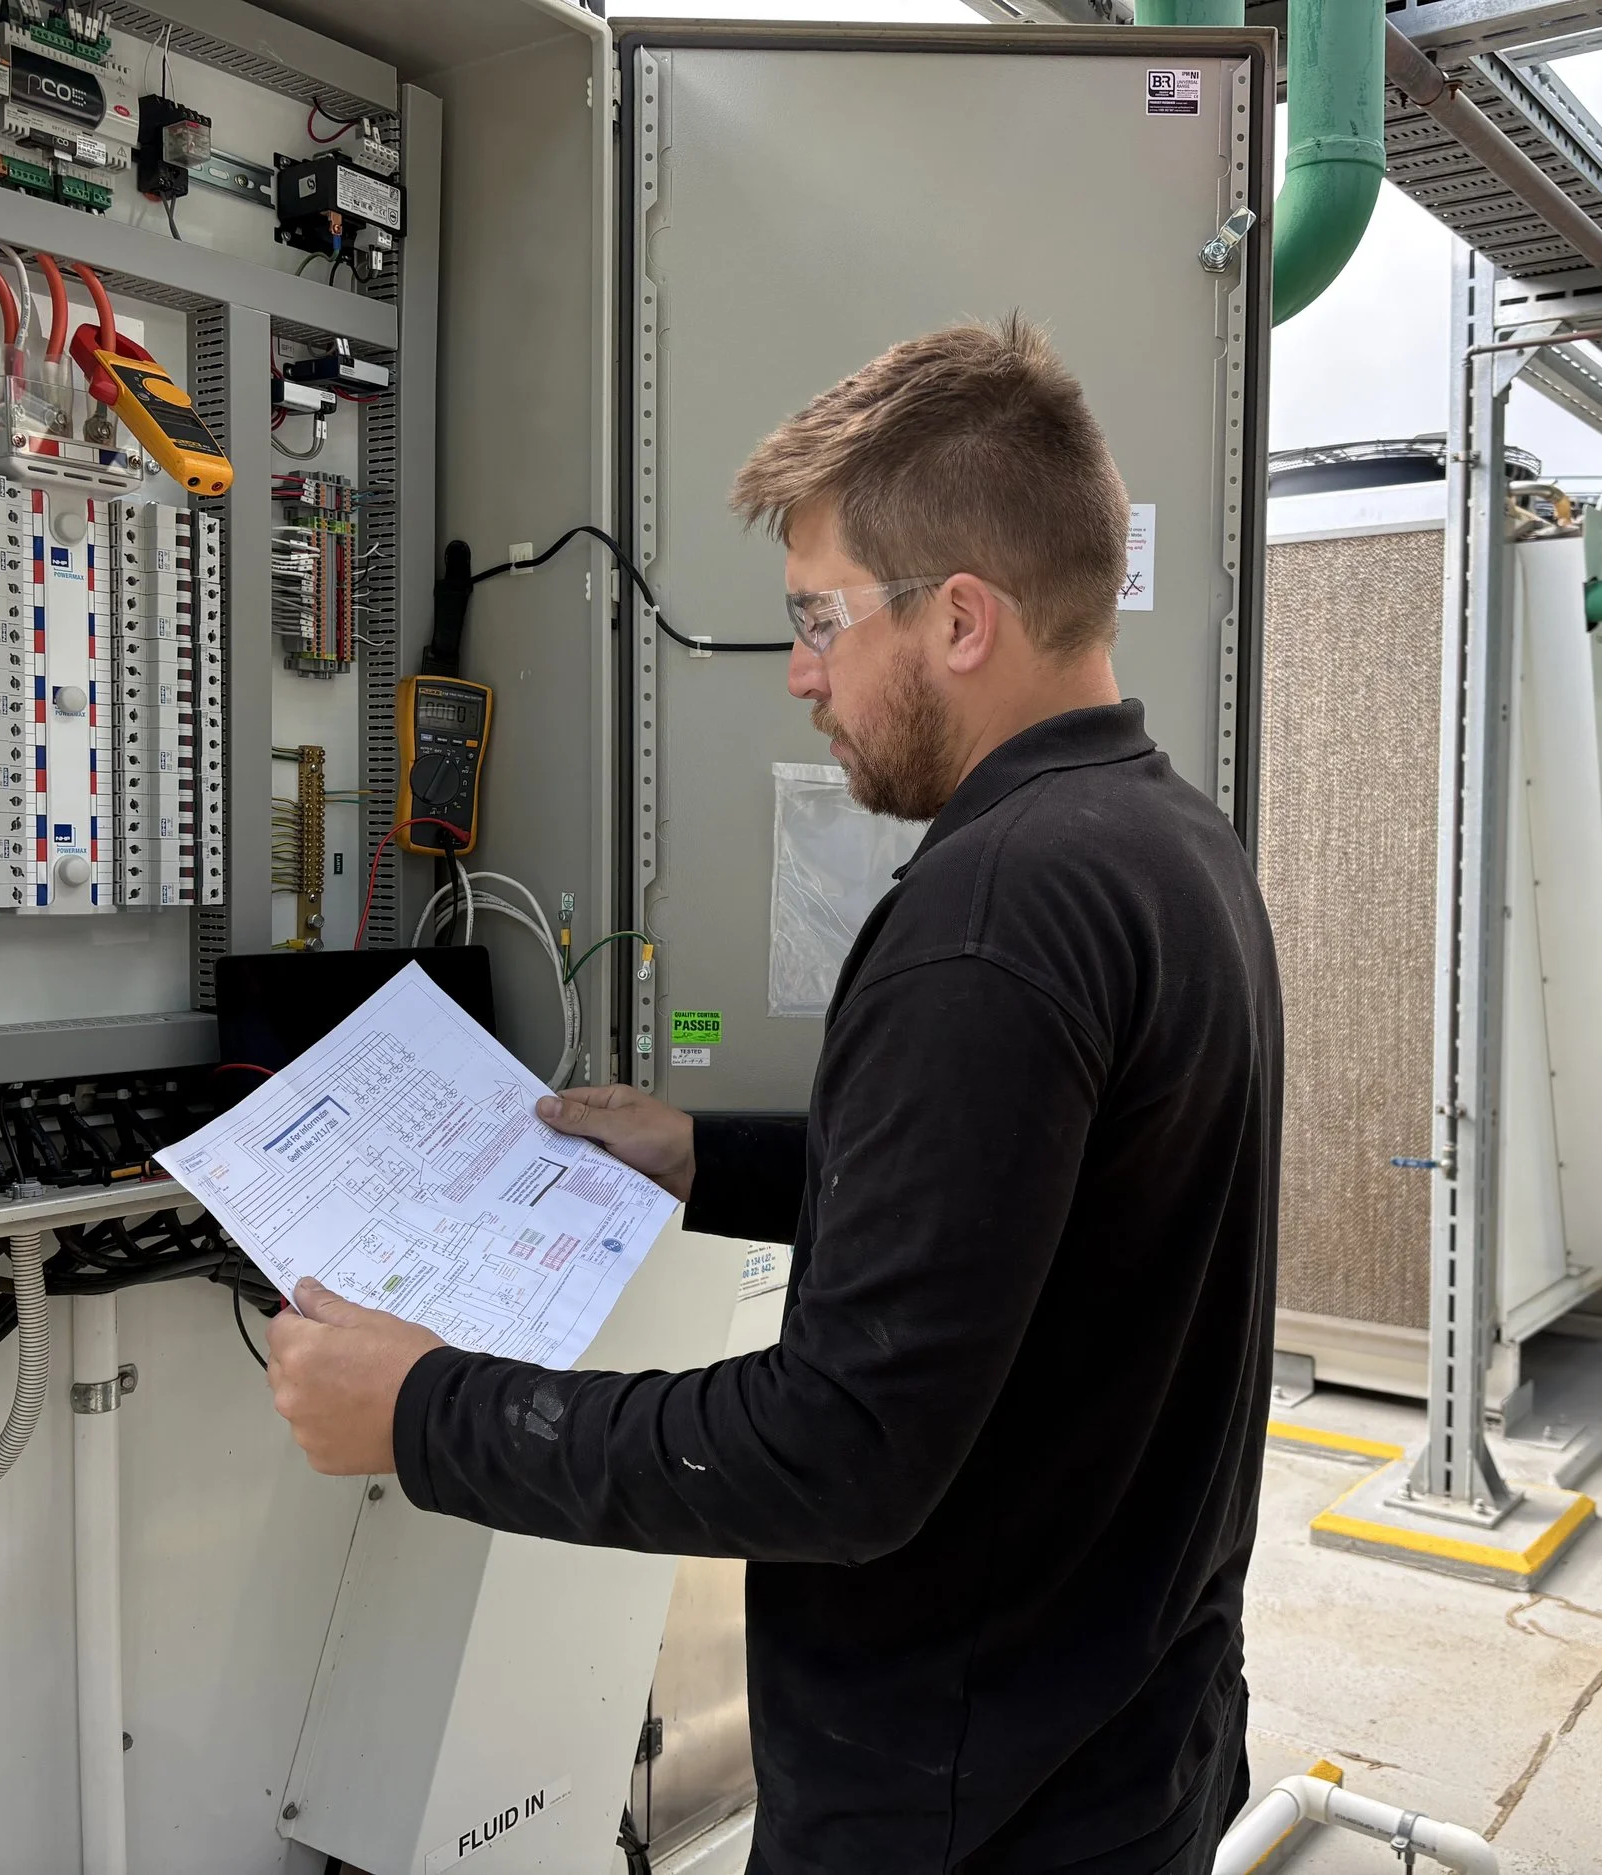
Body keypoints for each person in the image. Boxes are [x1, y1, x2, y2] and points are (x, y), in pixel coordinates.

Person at [266, 316, 1284, 1875]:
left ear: (957, 618)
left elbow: (838, 1451)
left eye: (820, 620)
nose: (799, 675)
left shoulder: (989, 916)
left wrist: (420, 1411)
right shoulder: (1167, 845)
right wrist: (701, 1158)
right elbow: (1018, 1205)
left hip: (964, 1813)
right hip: (1131, 1742)